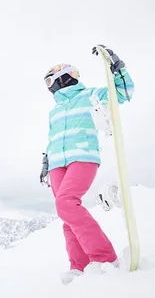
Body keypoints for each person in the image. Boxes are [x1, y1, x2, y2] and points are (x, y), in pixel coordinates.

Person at [38, 45, 135, 284]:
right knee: (66, 214)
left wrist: (118, 69)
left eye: (50, 81)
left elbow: (123, 93)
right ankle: (79, 266)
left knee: (66, 203)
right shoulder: (55, 111)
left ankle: (105, 258)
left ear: (64, 77)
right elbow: (52, 137)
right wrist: (46, 160)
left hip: (83, 157)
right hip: (57, 164)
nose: (49, 88)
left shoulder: (91, 95)